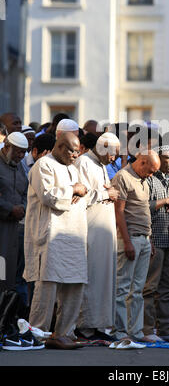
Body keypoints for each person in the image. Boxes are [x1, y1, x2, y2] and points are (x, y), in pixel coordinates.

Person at [23, 132, 88, 349]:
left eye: (78, 151)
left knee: (75, 283)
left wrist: (82, 189)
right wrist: (73, 189)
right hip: (51, 236)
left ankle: (64, 333)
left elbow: (84, 191)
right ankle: (37, 334)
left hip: (75, 234)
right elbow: (49, 196)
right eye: (72, 150)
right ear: (59, 147)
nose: (75, 155)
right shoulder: (43, 165)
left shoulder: (73, 166)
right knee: (47, 285)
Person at [75, 132, 120, 341]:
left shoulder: (101, 165)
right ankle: (85, 328)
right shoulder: (83, 162)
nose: (114, 159)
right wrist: (106, 194)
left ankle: (100, 326)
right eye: (112, 154)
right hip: (90, 232)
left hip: (105, 233)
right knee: (91, 279)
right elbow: (79, 197)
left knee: (105, 279)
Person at [111, 151, 160, 341]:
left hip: (144, 240)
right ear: (142, 162)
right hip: (129, 239)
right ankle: (120, 331)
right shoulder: (123, 176)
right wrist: (128, 241)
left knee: (138, 290)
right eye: (151, 170)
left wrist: (150, 240)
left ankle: (135, 331)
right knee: (123, 288)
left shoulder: (143, 180)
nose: (152, 174)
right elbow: (119, 212)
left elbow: (144, 211)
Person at [143, 145, 169, 343]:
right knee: (150, 288)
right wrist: (165, 201)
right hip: (155, 239)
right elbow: (144, 207)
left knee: (168, 288)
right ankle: (147, 330)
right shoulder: (150, 181)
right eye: (167, 158)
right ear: (158, 160)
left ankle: (166, 331)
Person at [0, 132, 28, 294]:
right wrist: (10, 208)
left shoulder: (19, 166)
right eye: (18, 151)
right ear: (7, 146)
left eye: (24, 152)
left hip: (13, 228)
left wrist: (22, 208)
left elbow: (25, 191)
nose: (21, 155)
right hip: (2, 224)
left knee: (9, 274)